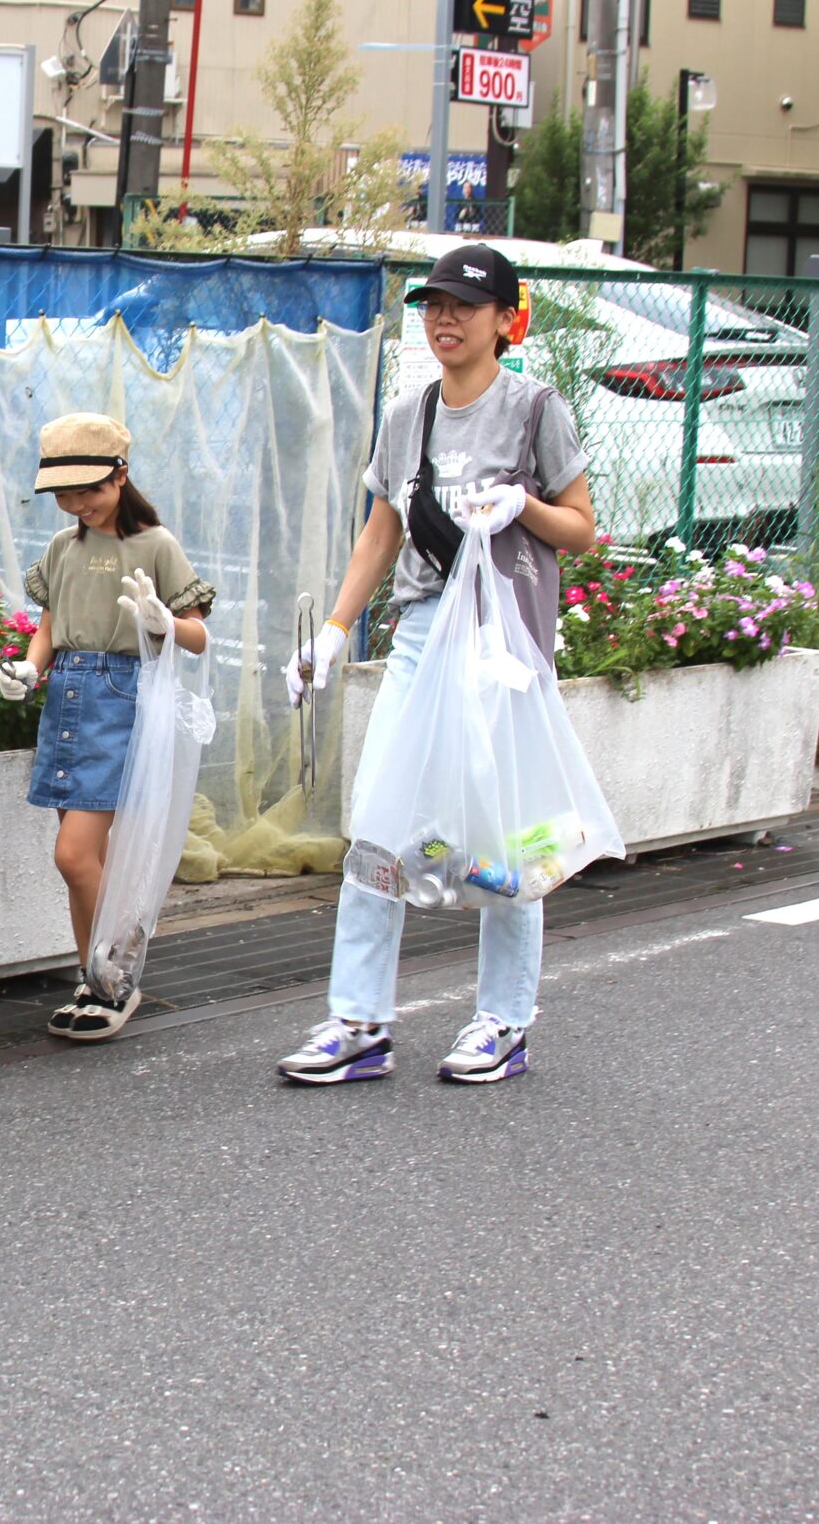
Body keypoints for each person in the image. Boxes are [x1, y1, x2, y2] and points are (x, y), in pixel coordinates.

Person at [278, 243, 596, 1087]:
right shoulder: (407, 416)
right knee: (380, 824)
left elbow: (582, 527)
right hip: (422, 635)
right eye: (433, 304)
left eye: (463, 304)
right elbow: (383, 529)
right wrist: (337, 630)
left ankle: (504, 1019)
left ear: (503, 319)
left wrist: (522, 504)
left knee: (509, 837)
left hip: (507, 649)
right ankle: (359, 1020)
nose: (445, 318)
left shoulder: (535, 410)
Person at [0, 412, 215, 1042]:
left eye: (88, 489)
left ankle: (117, 965)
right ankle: (94, 980)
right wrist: (29, 669)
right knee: (86, 855)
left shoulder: (157, 545)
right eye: (64, 494)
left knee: (73, 855)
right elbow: (47, 624)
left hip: (125, 697)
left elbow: (198, 636)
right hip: (68, 690)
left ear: (121, 475)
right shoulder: (64, 548)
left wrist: (163, 623)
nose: (77, 504)